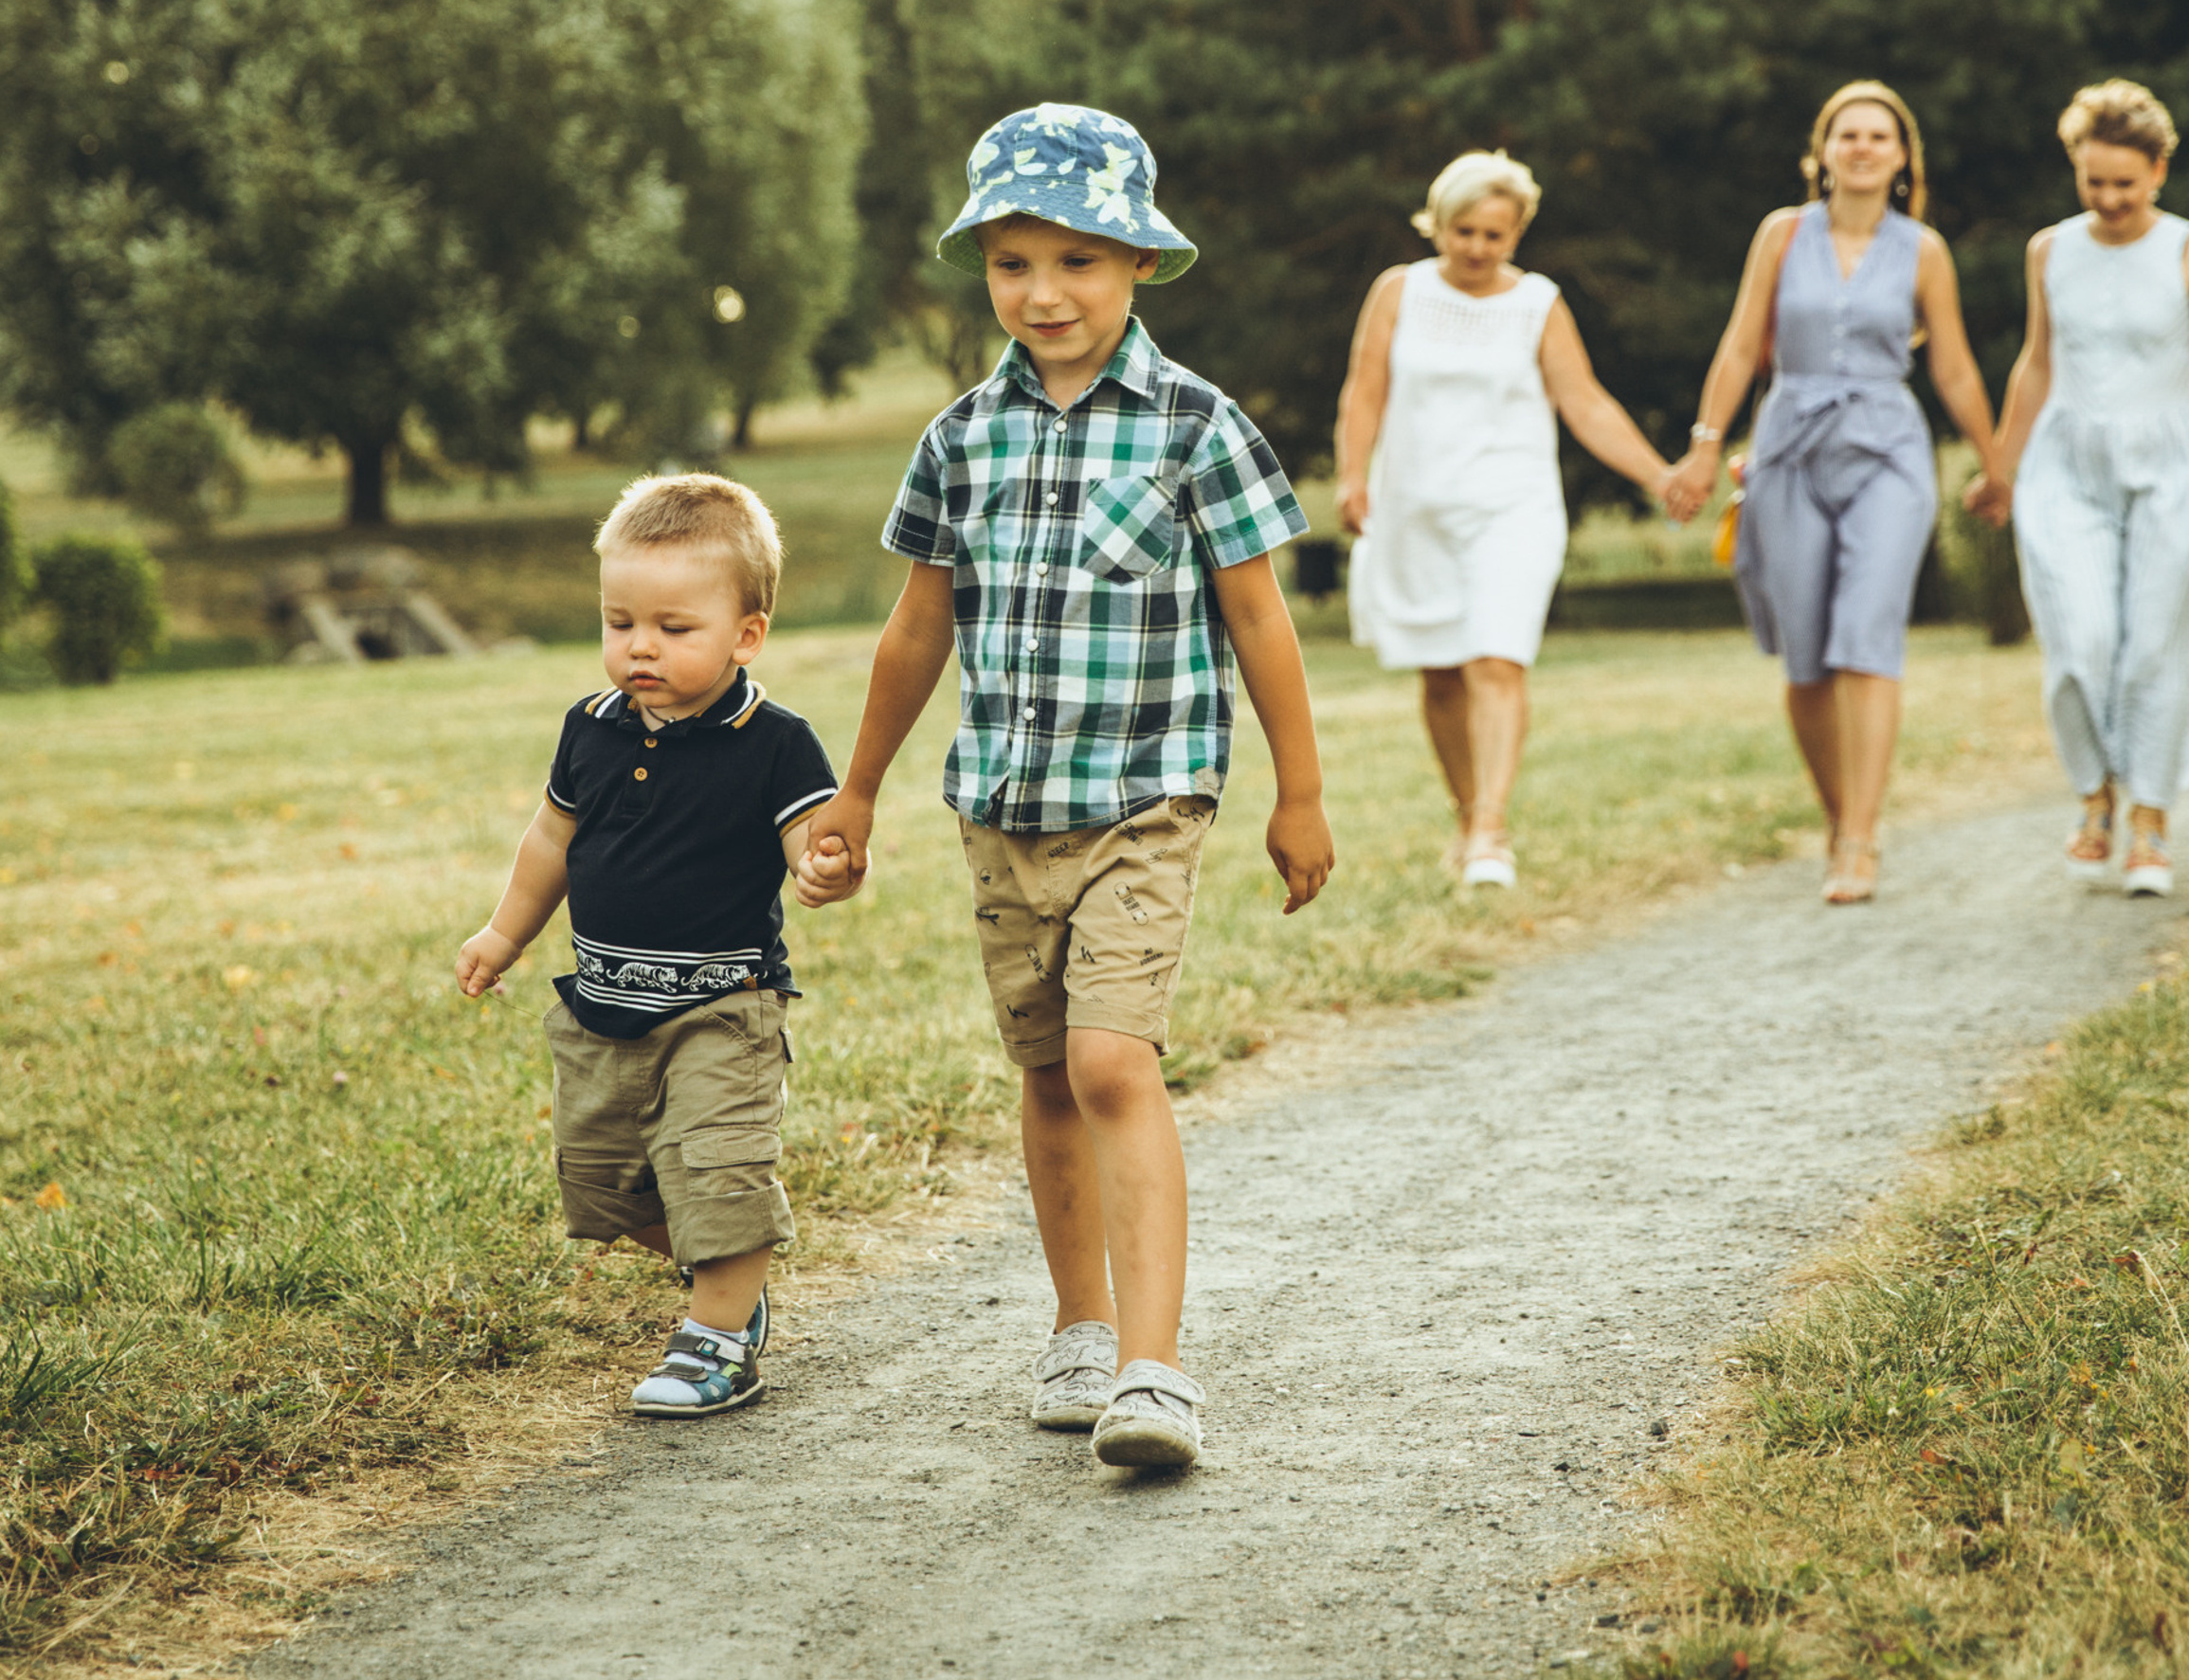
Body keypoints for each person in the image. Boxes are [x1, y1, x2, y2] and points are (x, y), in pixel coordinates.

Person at [804, 103, 1332, 1474]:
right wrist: (855, 793)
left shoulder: (1196, 428)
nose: (1043, 294)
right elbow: (919, 628)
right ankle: (1080, 1328)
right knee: (1044, 1074)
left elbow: (1262, 621)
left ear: (1141, 265)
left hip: (1151, 794)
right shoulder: (960, 436)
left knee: (1109, 1060)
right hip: (1002, 805)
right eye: (1012, 263)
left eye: (1078, 262)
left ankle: (1155, 1372)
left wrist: (1300, 794)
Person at [454, 475, 855, 1418]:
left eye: (674, 627)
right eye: (620, 620)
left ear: (746, 633)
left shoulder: (776, 743)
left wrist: (823, 866)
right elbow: (551, 839)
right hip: (601, 1012)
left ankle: (717, 1335)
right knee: (604, 1189)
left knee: (717, 1173)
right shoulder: (589, 729)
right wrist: (505, 931)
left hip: (724, 1007)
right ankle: (732, 1273)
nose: (640, 646)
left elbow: (811, 840)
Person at [1665, 81, 2007, 905]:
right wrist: (1704, 449)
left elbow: (1952, 365)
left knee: (1866, 633)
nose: (1860, 147)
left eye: (1877, 137)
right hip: (1788, 447)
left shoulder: (1923, 249)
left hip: (1888, 448)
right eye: (1845, 135)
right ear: (1821, 155)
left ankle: (1861, 837)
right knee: (1809, 656)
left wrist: (1996, 462)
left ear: (1901, 159)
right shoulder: (1781, 236)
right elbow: (1742, 343)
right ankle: (1838, 816)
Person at [1334, 149, 1672, 887]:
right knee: (1442, 672)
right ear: (1439, 225)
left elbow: (1584, 402)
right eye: (1465, 232)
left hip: (1512, 505)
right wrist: (1353, 476)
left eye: (1495, 234)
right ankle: (1466, 814)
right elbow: (1364, 392)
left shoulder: (1538, 303)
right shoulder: (1400, 292)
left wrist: (1658, 474)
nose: (1478, 248)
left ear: (1517, 234)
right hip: (1416, 502)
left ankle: (1492, 828)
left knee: (1496, 656)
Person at [1980, 82, 2189, 896]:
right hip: (2068, 460)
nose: (2107, 200)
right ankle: (2095, 794)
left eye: (2124, 185)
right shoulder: (2049, 249)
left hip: (2170, 457)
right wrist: (2001, 466)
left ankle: (2151, 822)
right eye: (2093, 182)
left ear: (2159, 170)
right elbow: (2037, 360)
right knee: (2080, 637)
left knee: (2155, 644)